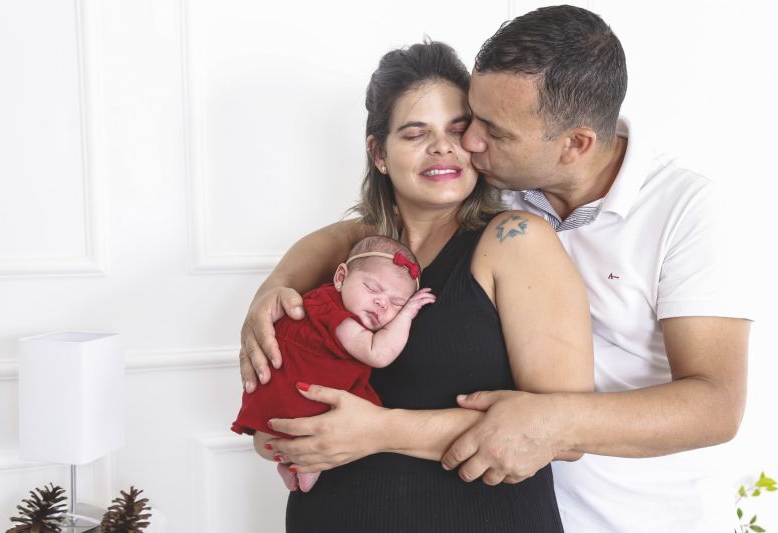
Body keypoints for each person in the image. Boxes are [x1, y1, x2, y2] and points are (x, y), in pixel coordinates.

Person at [241, 6, 752, 533]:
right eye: (471, 121)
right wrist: (275, 288)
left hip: (632, 510)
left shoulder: (680, 210)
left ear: (574, 145)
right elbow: (361, 230)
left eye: (483, 129)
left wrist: (385, 430)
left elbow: (714, 405)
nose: (467, 144)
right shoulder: (497, 182)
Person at [245, 40, 594, 531]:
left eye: (458, 129)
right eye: (415, 133)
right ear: (378, 153)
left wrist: (378, 431)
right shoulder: (346, 254)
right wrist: (280, 429)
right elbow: (280, 397)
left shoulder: (516, 241)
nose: (442, 147)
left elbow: (568, 431)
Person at [231, 235, 436, 493]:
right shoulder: (336, 315)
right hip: (297, 389)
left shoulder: (326, 299)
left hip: (280, 391)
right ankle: (305, 464)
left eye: (397, 303)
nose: (382, 303)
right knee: (353, 414)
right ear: (340, 278)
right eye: (372, 288)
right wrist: (407, 313)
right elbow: (378, 353)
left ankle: (292, 465)